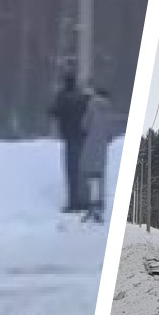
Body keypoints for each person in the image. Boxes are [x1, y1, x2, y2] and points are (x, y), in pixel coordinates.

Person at [78, 87, 128, 222]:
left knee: (88, 175)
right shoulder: (109, 111)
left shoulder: (91, 107)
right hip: (102, 147)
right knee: (100, 176)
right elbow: (111, 133)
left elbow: (84, 126)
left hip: (89, 145)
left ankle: (89, 204)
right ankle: (99, 204)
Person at [50, 72, 89, 212]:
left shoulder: (63, 97)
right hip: (82, 137)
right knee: (81, 171)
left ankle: (73, 202)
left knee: (71, 171)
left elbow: (54, 112)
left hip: (69, 137)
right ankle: (84, 200)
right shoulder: (81, 97)